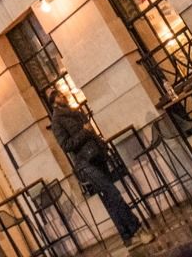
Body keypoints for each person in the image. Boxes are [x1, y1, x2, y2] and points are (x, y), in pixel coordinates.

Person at [46, 92, 141, 242]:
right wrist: (84, 131)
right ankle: (135, 228)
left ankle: (126, 234)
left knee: (109, 197)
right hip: (84, 162)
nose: (63, 96)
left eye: (63, 94)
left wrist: (101, 146)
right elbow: (66, 145)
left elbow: (91, 131)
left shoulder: (74, 112)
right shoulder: (57, 121)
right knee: (112, 192)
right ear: (54, 103)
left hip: (97, 155)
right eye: (59, 96)